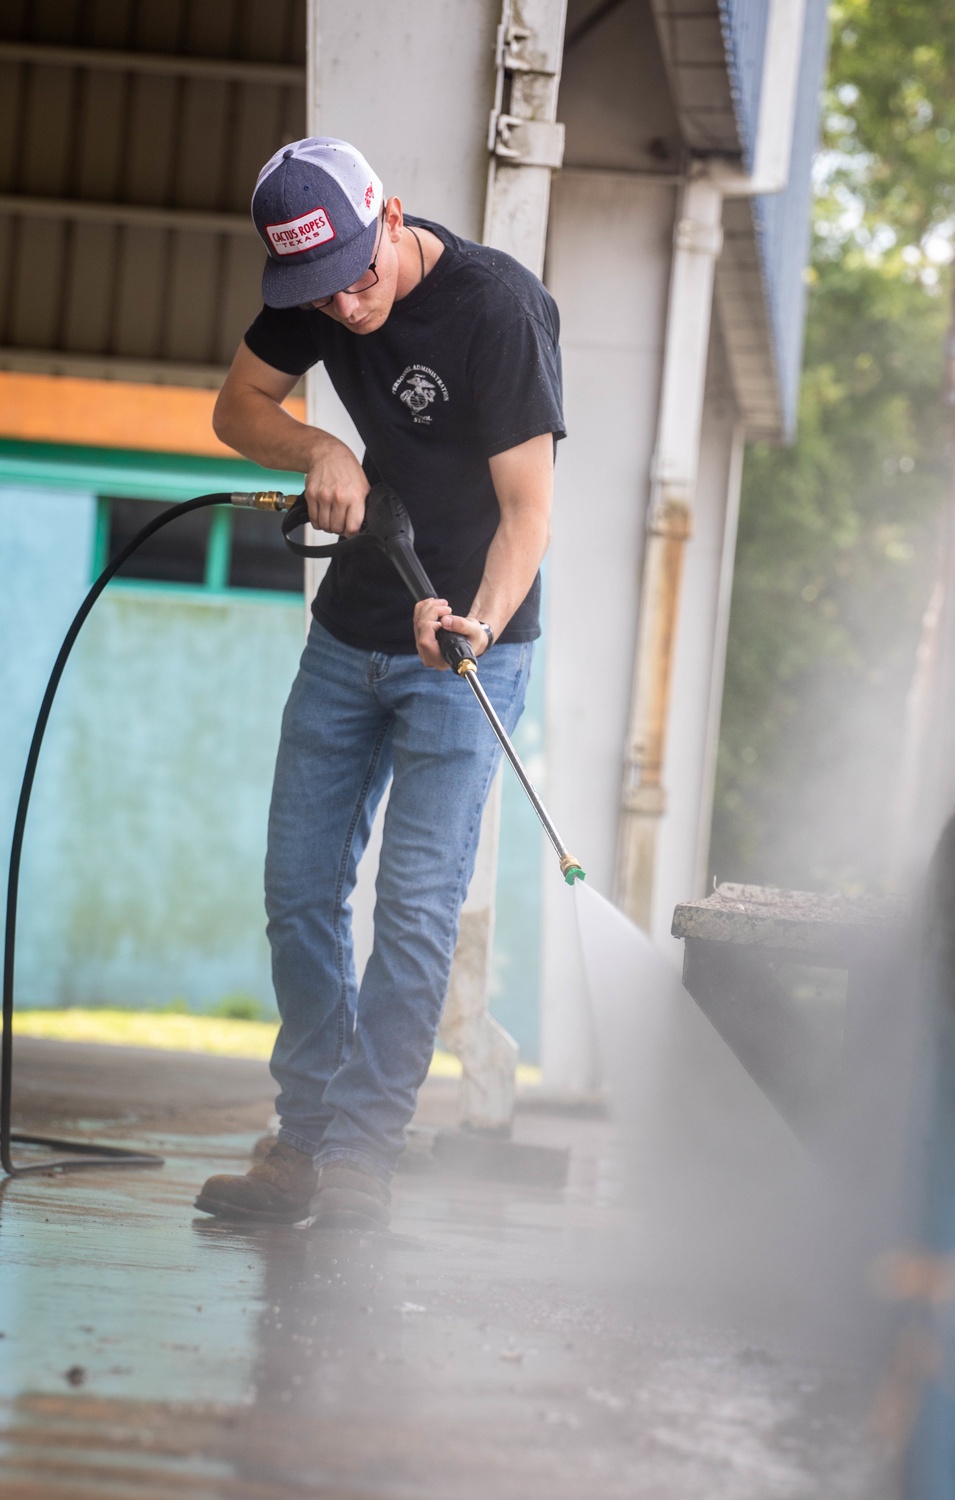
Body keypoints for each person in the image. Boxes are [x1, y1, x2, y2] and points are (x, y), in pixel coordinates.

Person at [194, 137, 564, 1230]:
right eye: (320, 290)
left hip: (466, 648)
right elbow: (237, 407)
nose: (347, 307)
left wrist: (474, 625)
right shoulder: (317, 286)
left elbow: (529, 513)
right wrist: (318, 448)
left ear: (391, 218)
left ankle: (361, 1152)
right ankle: (303, 1136)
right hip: (349, 626)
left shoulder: (497, 310)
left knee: (412, 910)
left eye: (360, 275)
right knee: (298, 891)